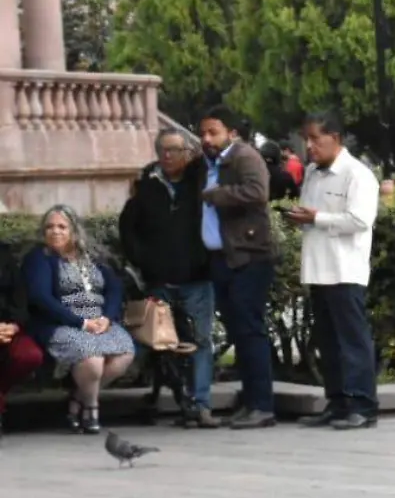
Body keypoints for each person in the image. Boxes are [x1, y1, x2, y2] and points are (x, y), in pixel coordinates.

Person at [285, 111, 380, 430]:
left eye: (315, 138)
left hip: (345, 269)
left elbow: (360, 220)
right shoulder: (312, 172)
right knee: (327, 340)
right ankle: (337, 402)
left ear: (335, 138)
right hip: (317, 268)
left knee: (352, 340)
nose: (309, 146)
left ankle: (362, 405)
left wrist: (318, 218)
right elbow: (311, 213)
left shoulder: (357, 174)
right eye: (306, 139)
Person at [119, 127, 218, 428]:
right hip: (160, 281)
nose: (168, 155)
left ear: (187, 153)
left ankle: (200, 404)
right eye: (163, 149)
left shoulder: (200, 182)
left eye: (175, 149)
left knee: (201, 341)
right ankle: (182, 401)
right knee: (163, 343)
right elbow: (128, 228)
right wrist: (145, 261)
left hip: (197, 278)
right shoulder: (147, 187)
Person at [20, 208, 137, 435]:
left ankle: (77, 398)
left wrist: (106, 318)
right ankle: (91, 408)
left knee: (124, 352)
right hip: (60, 323)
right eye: (49, 227)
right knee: (92, 358)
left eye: (62, 227)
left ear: (74, 230)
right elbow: (41, 298)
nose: (55, 231)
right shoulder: (39, 258)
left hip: (98, 321)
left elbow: (114, 288)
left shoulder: (92, 256)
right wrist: (81, 322)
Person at [198, 105, 279, 428]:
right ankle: (250, 400)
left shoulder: (244, 156)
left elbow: (258, 192)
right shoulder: (209, 162)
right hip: (223, 258)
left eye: (213, 132)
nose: (206, 138)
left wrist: (218, 195)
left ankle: (262, 404)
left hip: (249, 256)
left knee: (250, 329)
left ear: (231, 133)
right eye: (202, 132)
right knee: (239, 331)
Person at [0, 243, 44, 435]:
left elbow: (19, 296)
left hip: (7, 327)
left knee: (29, 356)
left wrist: (15, 324)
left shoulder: (3, 253)